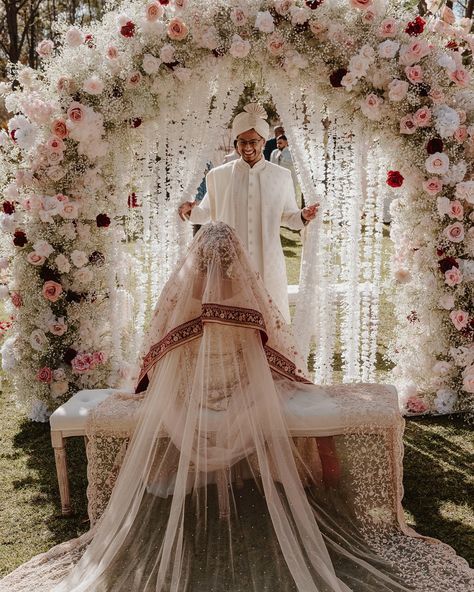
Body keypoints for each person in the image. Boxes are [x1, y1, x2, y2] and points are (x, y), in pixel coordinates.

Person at [0, 223, 472, 592]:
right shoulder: (249, 300)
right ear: (236, 259)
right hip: (245, 400)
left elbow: (158, 360)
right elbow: (273, 358)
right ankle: (327, 489)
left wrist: (160, 390)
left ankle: (155, 486)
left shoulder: (180, 302)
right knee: (299, 396)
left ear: (197, 258)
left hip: (188, 405)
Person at [178, 103, 319, 322]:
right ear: (236, 143)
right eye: (242, 142)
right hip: (228, 263)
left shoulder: (280, 176)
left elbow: (289, 217)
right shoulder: (219, 176)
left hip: (268, 261)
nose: (247, 147)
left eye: (253, 141)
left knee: (270, 322)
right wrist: (190, 211)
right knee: (232, 322)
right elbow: (206, 213)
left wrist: (303, 216)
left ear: (264, 141)